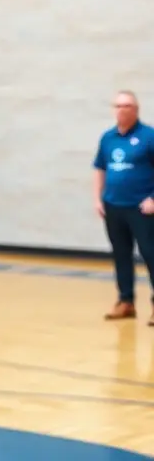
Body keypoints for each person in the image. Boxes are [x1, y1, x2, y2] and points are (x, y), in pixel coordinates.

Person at [92, 90, 154, 324]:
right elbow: (100, 169)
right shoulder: (108, 138)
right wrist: (98, 199)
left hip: (142, 209)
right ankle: (125, 301)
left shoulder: (149, 136)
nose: (122, 110)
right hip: (114, 207)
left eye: (127, 106)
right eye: (118, 106)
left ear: (136, 109)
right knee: (121, 255)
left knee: (150, 254)